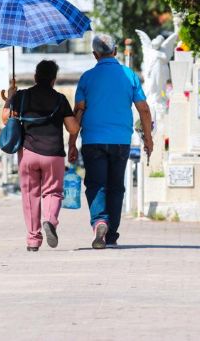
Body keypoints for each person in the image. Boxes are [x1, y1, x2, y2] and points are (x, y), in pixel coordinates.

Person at [69, 34, 153, 249]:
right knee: (116, 186)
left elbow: (78, 111)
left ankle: (100, 221)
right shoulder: (129, 75)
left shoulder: (87, 78)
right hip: (120, 141)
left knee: (96, 184)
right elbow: (143, 108)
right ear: (115, 52)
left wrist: (71, 143)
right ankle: (112, 233)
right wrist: (148, 139)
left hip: (92, 140)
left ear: (94, 54)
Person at [2, 60, 78, 252]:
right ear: (54, 79)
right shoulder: (60, 99)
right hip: (53, 155)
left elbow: (5, 119)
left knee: (30, 195)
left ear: (35, 77)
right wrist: (80, 113)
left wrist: (10, 97)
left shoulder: (21, 96)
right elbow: (73, 128)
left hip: (28, 153)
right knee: (52, 192)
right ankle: (50, 220)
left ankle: (33, 240)